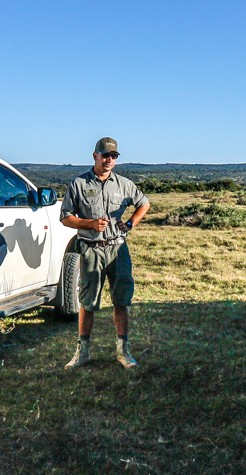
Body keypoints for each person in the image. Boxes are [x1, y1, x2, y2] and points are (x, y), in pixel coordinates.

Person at [61, 137, 150, 370]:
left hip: (118, 248)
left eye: (114, 156)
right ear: (95, 156)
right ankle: (83, 352)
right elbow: (65, 217)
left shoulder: (124, 184)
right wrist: (89, 224)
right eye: (105, 155)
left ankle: (123, 351)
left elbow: (144, 203)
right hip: (91, 249)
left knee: (121, 300)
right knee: (88, 302)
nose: (109, 160)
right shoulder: (78, 183)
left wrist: (130, 224)